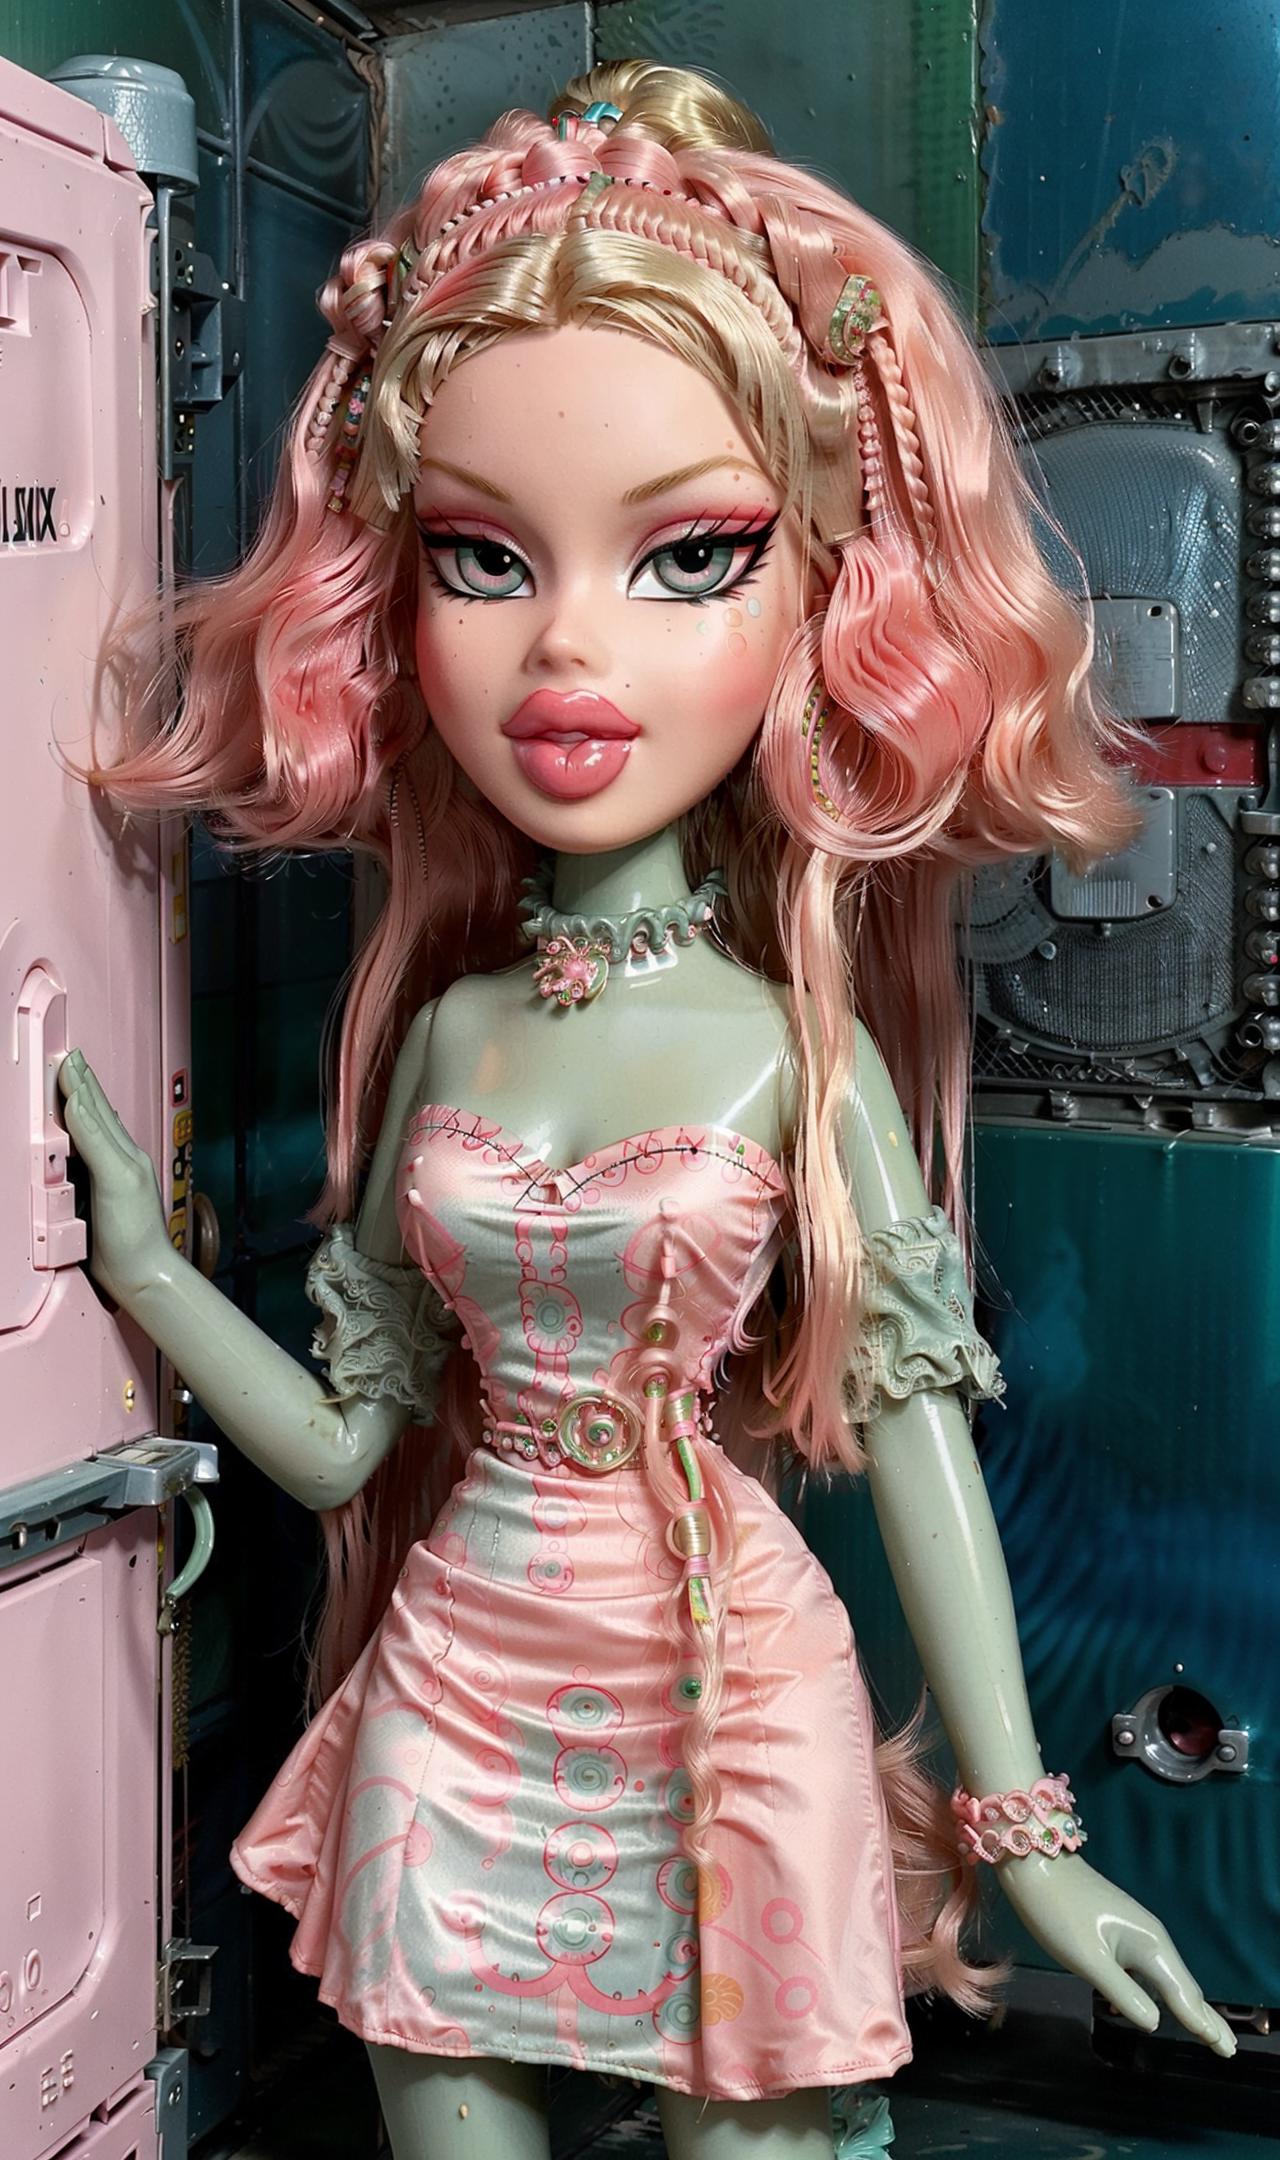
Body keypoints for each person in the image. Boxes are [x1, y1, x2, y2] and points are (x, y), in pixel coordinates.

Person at [56, 59, 1234, 2160]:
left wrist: (1026, 1832)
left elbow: (917, 1442)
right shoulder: (448, 1030)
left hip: (721, 1695)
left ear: (823, 599)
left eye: (692, 556)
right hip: (454, 1687)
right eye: (480, 559)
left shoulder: (794, 1048)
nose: (568, 649)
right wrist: (142, 1268)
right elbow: (341, 1444)